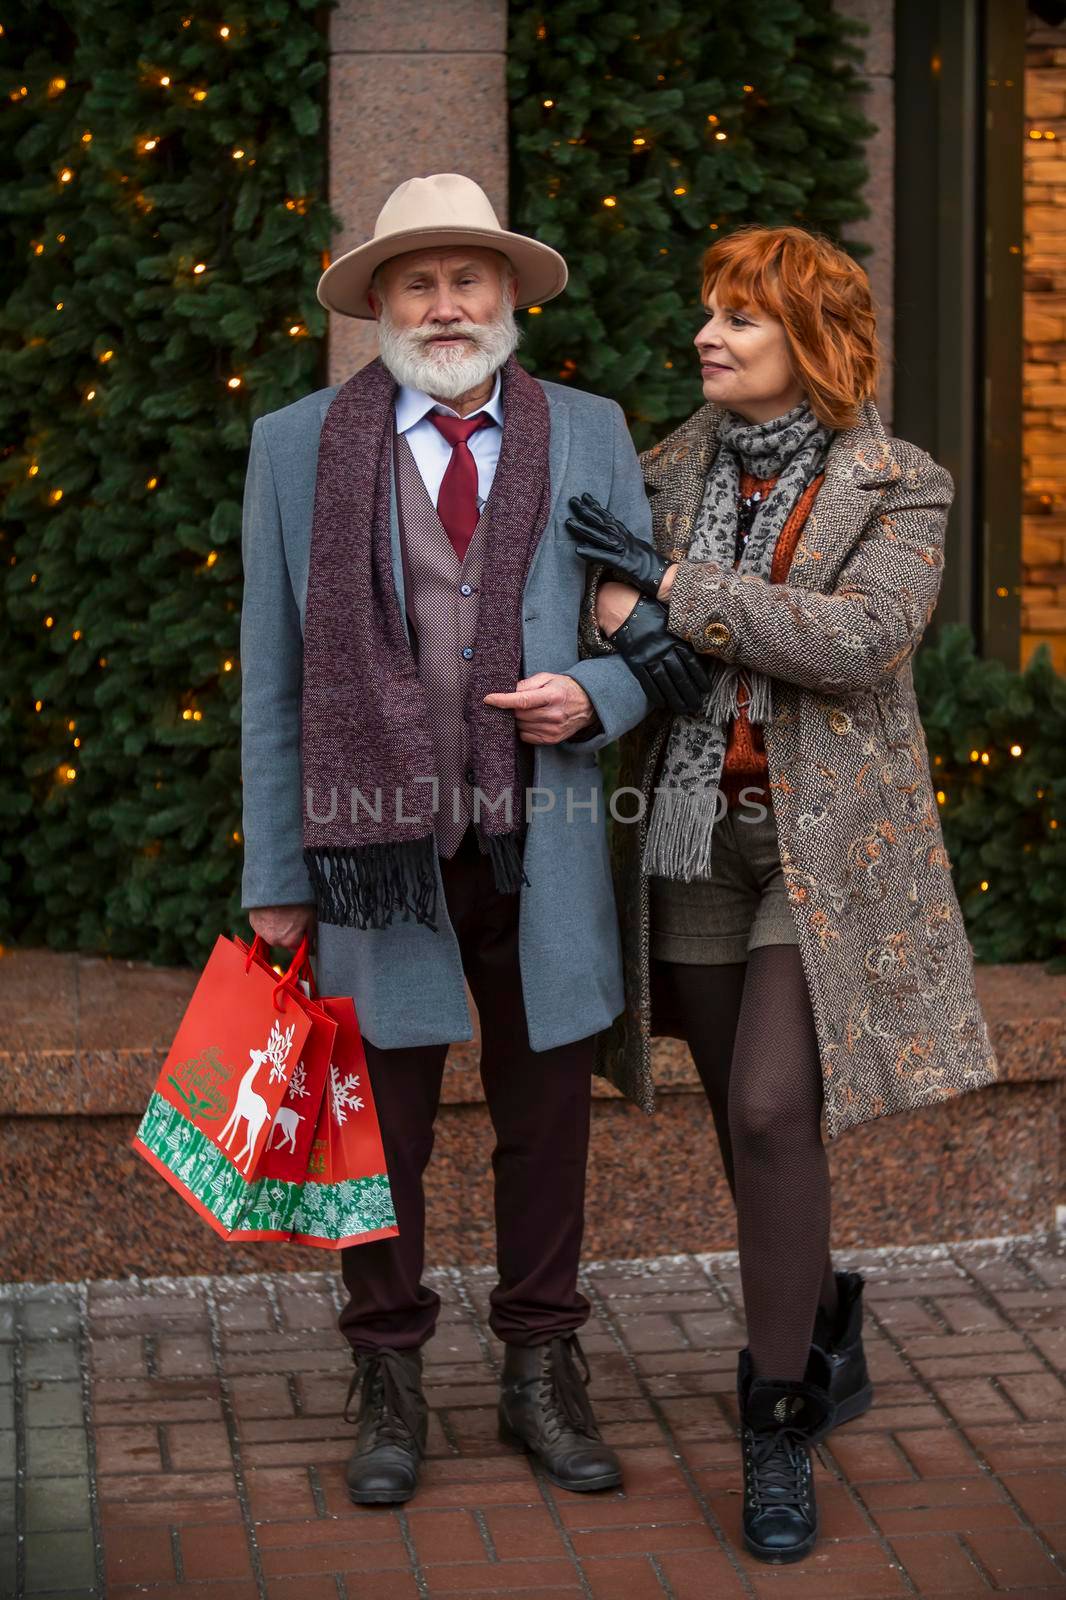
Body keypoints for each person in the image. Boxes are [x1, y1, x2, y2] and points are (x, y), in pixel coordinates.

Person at [238, 173, 702, 1508]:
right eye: (416, 281)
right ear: (376, 304)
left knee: (544, 1119)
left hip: (541, 839)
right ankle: (387, 1378)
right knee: (376, 1131)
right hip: (366, 850)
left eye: (468, 278)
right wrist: (276, 878)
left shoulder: (594, 434)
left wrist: (597, 696)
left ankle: (539, 1369)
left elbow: (648, 634)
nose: (444, 304)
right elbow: (275, 673)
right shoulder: (294, 448)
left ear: (509, 296)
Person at [565, 224, 1000, 1565]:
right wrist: (629, 615)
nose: (707, 335)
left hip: (825, 848)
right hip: (688, 826)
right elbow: (596, 609)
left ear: (810, 341)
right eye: (705, 313)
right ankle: (821, 1317)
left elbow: (859, 643)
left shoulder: (898, 484)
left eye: (739, 319)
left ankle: (777, 1416)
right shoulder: (662, 464)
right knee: (742, 1118)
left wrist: (670, 595)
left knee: (766, 1108)